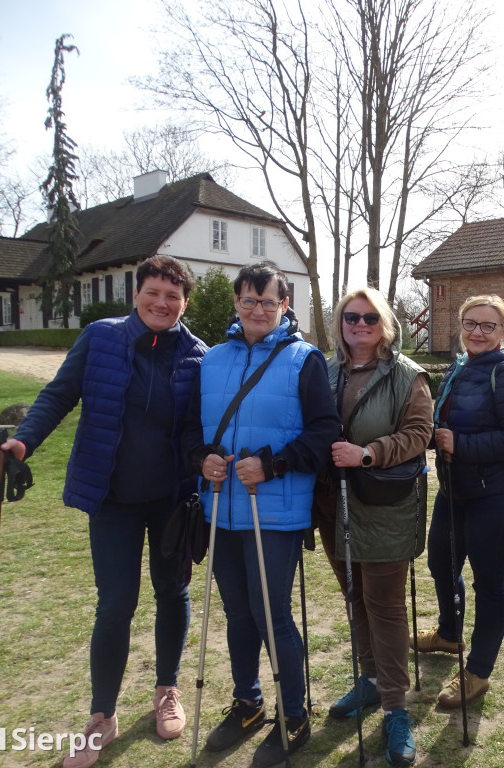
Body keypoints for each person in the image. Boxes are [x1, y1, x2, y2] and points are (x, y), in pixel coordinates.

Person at [0, 255, 207, 768]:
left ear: (184, 304)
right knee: (115, 604)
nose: (162, 303)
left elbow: (200, 427)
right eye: (153, 292)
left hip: (173, 499)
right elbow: (59, 395)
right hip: (112, 498)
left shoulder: (199, 356)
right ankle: (102, 715)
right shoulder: (100, 338)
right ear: (136, 294)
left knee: (173, 592)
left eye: (173, 297)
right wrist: (22, 443)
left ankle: (166, 691)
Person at [182, 261, 339, 768]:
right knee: (238, 612)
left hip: (275, 511)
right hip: (221, 507)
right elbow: (190, 429)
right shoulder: (212, 359)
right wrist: (201, 458)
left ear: (284, 306)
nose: (258, 310)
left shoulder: (304, 359)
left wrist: (272, 465)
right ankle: (248, 702)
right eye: (249, 301)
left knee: (272, 613)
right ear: (236, 303)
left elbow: (324, 432)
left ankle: (293, 713)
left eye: (269, 302)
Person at [313, 287, 432, 767]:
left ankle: (395, 707)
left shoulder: (408, 376)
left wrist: (368, 453)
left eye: (369, 317)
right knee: (353, 597)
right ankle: (368, 679)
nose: (359, 325)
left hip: (384, 507)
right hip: (332, 506)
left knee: (384, 606)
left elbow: (419, 434)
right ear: (340, 324)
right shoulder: (324, 370)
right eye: (350, 317)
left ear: (384, 324)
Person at [416, 295, 504, 709]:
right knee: (440, 563)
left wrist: (460, 444)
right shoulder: (460, 367)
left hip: (495, 495)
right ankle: (450, 635)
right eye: (470, 323)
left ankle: (478, 672)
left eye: (488, 326)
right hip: (454, 490)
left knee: (489, 584)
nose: (477, 332)